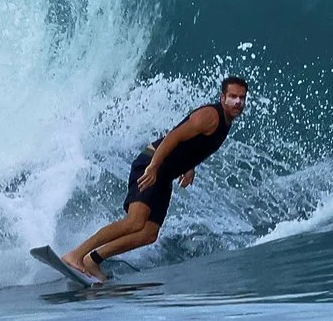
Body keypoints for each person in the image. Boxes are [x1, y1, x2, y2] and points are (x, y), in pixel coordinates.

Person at [58, 76, 248, 281]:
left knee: (149, 233)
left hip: (165, 173)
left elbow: (195, 143)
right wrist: (153, 167)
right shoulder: (210, 116)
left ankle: (93, 259)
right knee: (134, 222)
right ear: (222, 97)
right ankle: (75, 255)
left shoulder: (226, 121)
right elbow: (173, 136)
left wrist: (189, 167)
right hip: (151, 165)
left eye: (242, 98)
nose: (238, 102)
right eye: (233, 97)